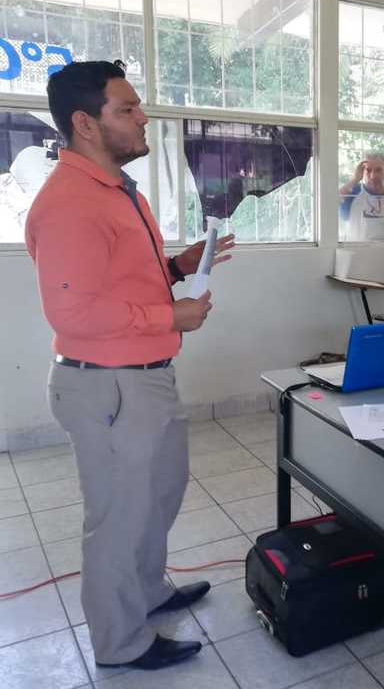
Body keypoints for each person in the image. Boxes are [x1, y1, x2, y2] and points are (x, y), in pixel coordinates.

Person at [24, 61, 235, 671]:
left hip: (145, 377)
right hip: (107, 386)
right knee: (119, 518)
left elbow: (117, 277)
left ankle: (146, 593)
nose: (143, 118)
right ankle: (120, 643)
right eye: (127, 109)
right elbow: (74, 310)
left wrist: (176, 267)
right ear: (85, 123)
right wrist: (171, 317)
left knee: (158, 495)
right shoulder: (70, 203)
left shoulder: (119, 190)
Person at [339, 152, 384, 241]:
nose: (373, 176)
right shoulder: (352, 193)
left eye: (378, 170)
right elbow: (331, 203)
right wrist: (355, 179)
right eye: (368, 170)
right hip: (357, 249)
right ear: (362, 172)